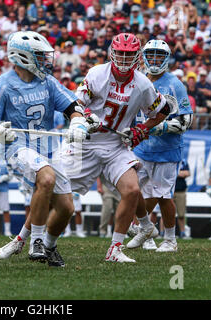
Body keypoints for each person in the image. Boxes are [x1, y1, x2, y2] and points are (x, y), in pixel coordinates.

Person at [0, 31, 89, 267]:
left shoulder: (47, 81)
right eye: (39, 55)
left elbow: (71, 106)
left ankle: (48, 246)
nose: (46, 61)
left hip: (47, 149)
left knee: (66, 208)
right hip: (18, 147)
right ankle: (35, 241)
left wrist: (77, 122)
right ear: (22, 57)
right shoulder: (3, 86)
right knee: (46, 179)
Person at [65, 33, 169, 263]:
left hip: (115, 145)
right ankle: (26, 238)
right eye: (120, 53)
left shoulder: (142, 83)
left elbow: (163, 110)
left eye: (129, 54)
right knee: (53, 189)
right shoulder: (97, 73)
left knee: (132, 190)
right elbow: (76, 102)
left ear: (136, 56)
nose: (123, 59)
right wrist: (84, 117)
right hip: (88, 143)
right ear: (112, 52)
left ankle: (115, 248)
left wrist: (143, 128)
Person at [128, 40, 193, 252]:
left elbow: (186, 120)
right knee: (134, 191)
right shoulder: (136, 80)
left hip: (167, 150)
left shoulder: (175, 83)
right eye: (151, 55)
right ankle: (145, 231)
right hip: (141, 148)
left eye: (159, 56)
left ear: (166, 58)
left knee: (164, 196)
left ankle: (169, 240)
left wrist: (160, 127)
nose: (154, 60)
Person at [174, 159, 191, 240]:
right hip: (168, 190)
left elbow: (187, 173)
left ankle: (182, 232)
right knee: (166, 214)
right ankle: (164, 233)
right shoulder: (168, 158)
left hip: (180, 190)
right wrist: (180, 173)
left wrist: (175, 173)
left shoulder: (183, 161)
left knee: (181, 214)